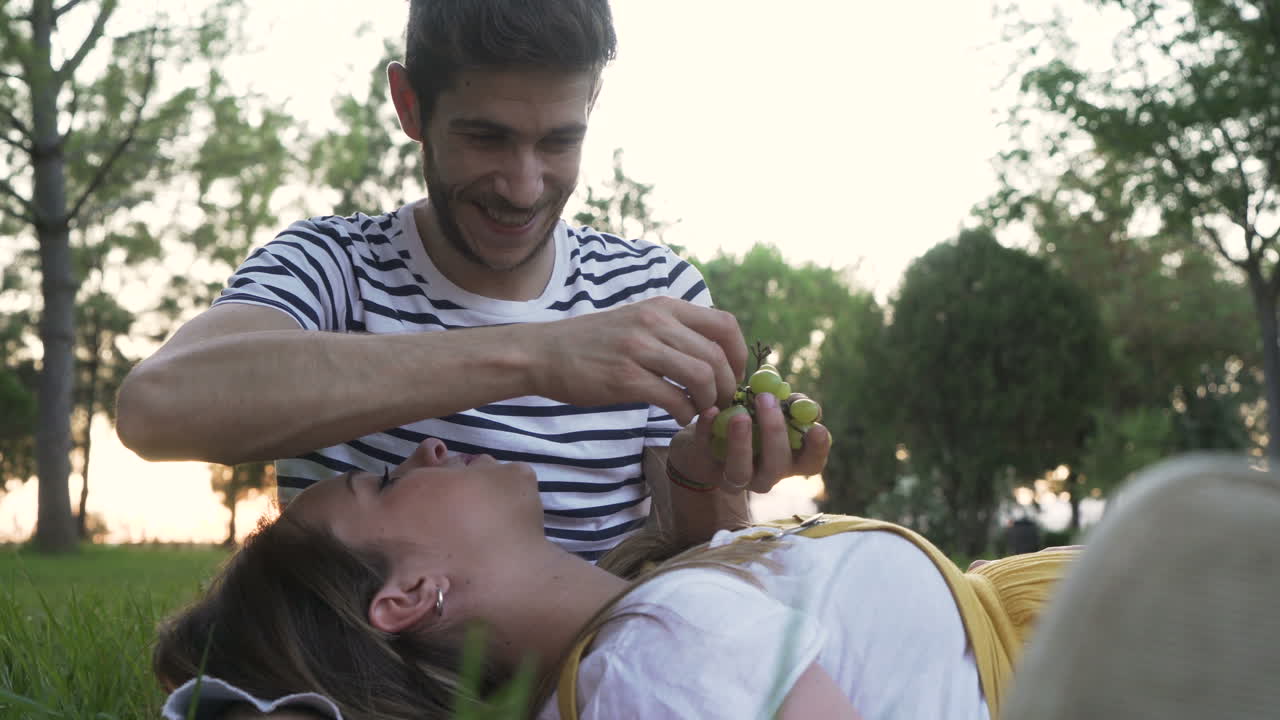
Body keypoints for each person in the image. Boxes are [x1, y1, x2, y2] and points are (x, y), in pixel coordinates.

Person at [115, 0, 830, 560]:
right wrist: (536, 356)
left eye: (558, 141)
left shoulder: (653, 289)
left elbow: (693, 563)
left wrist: (708, 475)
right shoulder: (331, 265)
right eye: (486, 137)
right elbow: (158, 406)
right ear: (410, 106)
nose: (523, 187)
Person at [154, 438, 1077, 720]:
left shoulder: (649, 624)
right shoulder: (655, 660)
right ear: (411, 596)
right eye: (390, 480)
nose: (427, 444)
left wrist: (708, 499)